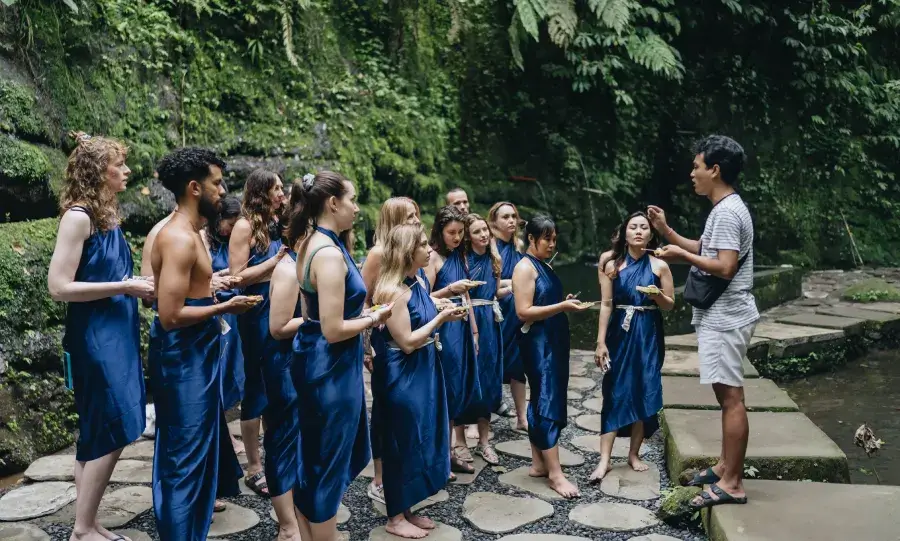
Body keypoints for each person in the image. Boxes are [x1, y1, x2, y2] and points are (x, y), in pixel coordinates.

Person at [48, 131, 154, 541]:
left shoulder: (106, 213)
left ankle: (87, 522)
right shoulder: (79, 217)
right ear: (99, 172)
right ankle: (81, 529)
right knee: (117, 422)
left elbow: (109, 273)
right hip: (95, 337)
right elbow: (58, 287)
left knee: (97, 429)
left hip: (117, 332)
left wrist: (136, 285)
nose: (127, 171)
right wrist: (124, 287)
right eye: (119, 165)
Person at [648, 135, 758, 509]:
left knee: (731, 399)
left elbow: (725, 267)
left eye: (696, 166)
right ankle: (725, 466)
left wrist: (680, 254)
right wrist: (669, 234)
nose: (691, 173)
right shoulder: (724, 208)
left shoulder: (727, 212)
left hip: (727, 317)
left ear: (714, 169)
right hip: (722, 314)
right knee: (724, 395)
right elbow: (706, 249)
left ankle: (733, 483)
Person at [149, 147, 251, 540]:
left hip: (199, 357)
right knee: (184, 462)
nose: (223, 192)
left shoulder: (191, 233)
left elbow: (189, 292)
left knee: (197, 456)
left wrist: (215, 290)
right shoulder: (178, 238)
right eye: (217, 184)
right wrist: (225, 307)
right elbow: (169, 315)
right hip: (183, 363)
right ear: (195, 188)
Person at [290, 171, 393, 541]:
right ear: (333, 203)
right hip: (330, 368)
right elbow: (333, 329)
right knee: (327, 461)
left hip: (317, 359)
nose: (356, 208)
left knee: (315, 457)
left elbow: (310, 316)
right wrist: (374, 317)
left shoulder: (309, 243)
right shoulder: (329, 254)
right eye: (352, 200)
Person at [372, 224, 464, 539]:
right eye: (423, 245)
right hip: (402, 373)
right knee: (401, 441)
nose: (429, 249)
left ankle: (408, 508)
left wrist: (441, 306)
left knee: (417, 439)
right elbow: (407, 341)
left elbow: (420, 314)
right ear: (409, 252)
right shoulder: (392, 290)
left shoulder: (417, 281)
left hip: (423, 369)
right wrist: (441, 320)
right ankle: (394, 517)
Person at [589, 212, 675, 482]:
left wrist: (657, 295)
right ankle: (604, 460)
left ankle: (633, 454)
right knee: (614, 390)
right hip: (619, 332)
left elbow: (670, 304)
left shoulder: (659, 266)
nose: (638, 231)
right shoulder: (611, 263)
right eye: (633, 227)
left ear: (651, 234)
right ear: (624, 232)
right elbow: (605, 304)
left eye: (644, 228)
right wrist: (601, 341)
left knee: (643, 389)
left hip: (648, 332)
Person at [512, 214, 589, 499]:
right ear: (531, 238)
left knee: (544, 395)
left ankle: (538, 463)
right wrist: (562, 306)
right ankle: (556, 474)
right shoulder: (524, 268)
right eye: (547, 239)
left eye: (554, 239)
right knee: (546, 398)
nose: (552, 243)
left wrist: (562, 302)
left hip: (553, 339)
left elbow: (545, 301)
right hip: (538, 342)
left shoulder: (542, 264)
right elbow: (522, 311)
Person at [228, 168, 288, 497]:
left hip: (281, 304)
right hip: (256, 309)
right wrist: (276, 259)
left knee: (279, 381)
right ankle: (253, 466)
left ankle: (277, 453)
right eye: (276, 188)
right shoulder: (243, 225)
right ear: (261, 192)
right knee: (257, 384)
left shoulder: (277, 223)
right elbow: (238, 276)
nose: (282, 192)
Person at [360, 197, 422, 505]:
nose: (414, 221)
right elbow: (363, 299)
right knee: (384, 409)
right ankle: (380, 476)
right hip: (385, 342)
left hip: (407, 335)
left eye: (416, 215)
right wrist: (366, 346)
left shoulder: (410, 252)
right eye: (408, 217)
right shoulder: (378, 254)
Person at [264, 181, 307, 541]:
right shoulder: (289, 269)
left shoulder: (303, 264)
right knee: (281, 439)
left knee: (298, 439)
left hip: (300, 363)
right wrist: (320, 320)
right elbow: (278, 327)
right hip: (283, 364)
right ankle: (286, 524)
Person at [425, 206, 478, 477]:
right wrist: (451, 290)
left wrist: (475, 331)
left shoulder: (460, 255)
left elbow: (466, 294)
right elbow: (425, 297)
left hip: (463, 325)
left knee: (458, 387)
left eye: (460, 233)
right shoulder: (432, 258)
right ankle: (441, 456)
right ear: (439, 231)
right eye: (451, 233)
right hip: (444, 327)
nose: (456, 237)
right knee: (445, 388)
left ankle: (451, 451)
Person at [458, 213, 505, 465]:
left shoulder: (494, 259)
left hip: (490, 320)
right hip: (468, 319)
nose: (484, 235)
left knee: (488, 379)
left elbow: (495, 291)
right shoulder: (462, 260)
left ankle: (485, 442)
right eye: (477, 232)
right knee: (466, 378)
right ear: (468, 236)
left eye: (485, 230)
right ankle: (461, 442)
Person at [204, 196, 247, 456]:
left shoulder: (231, 241)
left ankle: (225, 432)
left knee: (230, 371)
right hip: (215, 310)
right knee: (216, 373)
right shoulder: (204, 240)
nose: (230, 229)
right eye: (229, 223)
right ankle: (225, 437)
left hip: (232, 313)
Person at [488, 201, 528, 428]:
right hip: (497, 312)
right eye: (505, 217)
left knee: (518, 364)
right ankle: (476, 418)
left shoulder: (518, 245)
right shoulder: (489, 246)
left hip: (517, 312)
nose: (511, 220)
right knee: (489, 361)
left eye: (514, 216)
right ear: (494, 221)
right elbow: (488, 282)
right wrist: (514, 283)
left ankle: (522, 418)